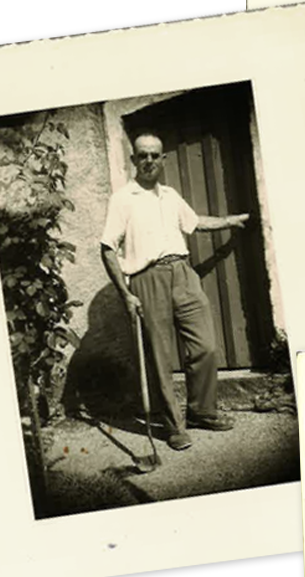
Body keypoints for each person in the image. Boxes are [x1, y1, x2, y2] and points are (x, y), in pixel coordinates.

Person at [100, 134, 250, 451]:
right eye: (143, 156)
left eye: (155, 155)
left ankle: (201, 411)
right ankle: (173, 426)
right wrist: (126, 294)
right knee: (159, 357)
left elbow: (194, 222)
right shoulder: (123, 198)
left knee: (205, 347)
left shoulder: (170, 195)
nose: (149, 161)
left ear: (163, 159)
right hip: (146, 277)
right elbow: (107, 248)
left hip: (183, 272)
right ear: (133, 160)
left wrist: (228, 221)